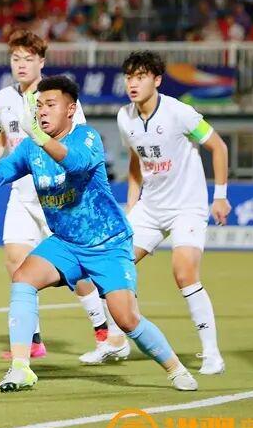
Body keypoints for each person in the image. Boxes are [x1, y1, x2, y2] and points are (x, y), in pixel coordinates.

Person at [0, 75, 198, 392]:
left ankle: (175, 369)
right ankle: (21, 368)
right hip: (66, 243)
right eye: (39, 106)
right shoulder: (30, 148)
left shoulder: (87, 137)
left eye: (51, 105)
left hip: (107, 243)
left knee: (126, 319)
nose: (42, 111)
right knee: (23, 278)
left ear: (70, 109)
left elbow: (76, 164)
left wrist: (40, 137)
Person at [77, 51, 230, 373]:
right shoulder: (125, 117)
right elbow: (136, 160)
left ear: (157, 80)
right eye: (129, 77)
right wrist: (132, 204)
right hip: (150, 208)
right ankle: (116, 340)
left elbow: (218, 146)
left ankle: (212, 353)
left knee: (184, 273)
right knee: (108, 266)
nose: (132, 84)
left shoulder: (179, 113)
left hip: (187, 207)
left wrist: (220, 196)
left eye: (141, 77)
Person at [0, 30, 108, 359]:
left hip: (57, 195)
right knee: (15, 260)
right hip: (21, 194)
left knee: (75, 271)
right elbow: (1, 142)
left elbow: (77, 142)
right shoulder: (3, 98)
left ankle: (103, 331)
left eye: (28, 59)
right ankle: (33, 340)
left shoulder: (58, 97)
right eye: (16, 58)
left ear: (41, 62)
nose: (21, 65)